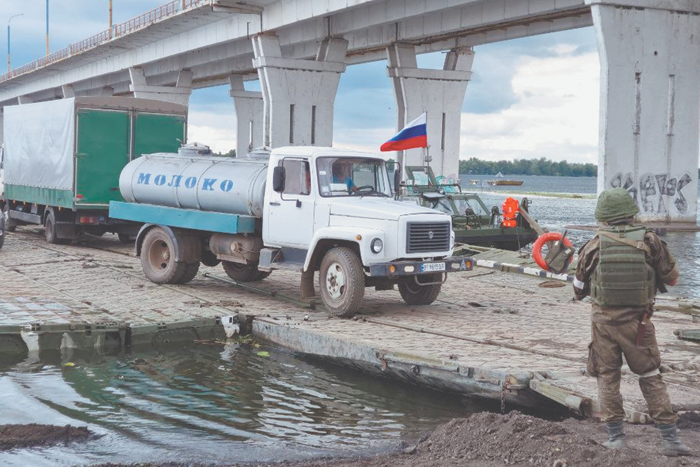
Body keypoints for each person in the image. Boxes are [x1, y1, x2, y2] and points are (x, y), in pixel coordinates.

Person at [573, 188, 691, 457]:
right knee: (650, 375)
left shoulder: (592, 246)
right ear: (630, 212)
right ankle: (670, 440)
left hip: (604, 324)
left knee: (607, 376)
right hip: (639, 325)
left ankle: (616, 438)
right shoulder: (651, 241)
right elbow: (672, 279)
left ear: (603, 216)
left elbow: (578, 290)